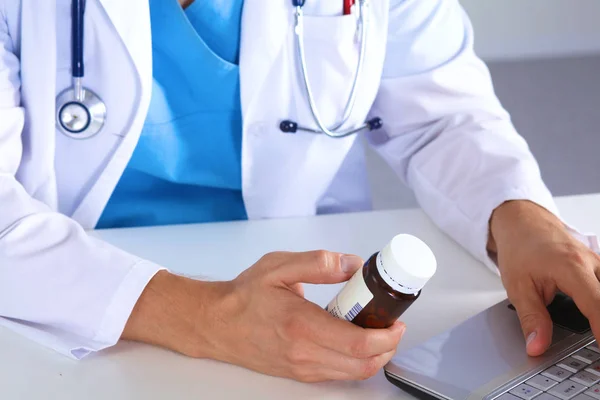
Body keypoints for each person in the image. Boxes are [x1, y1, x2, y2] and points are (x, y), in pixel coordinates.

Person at [1, 0, 599, 383]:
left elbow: (441, 117)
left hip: (308, 307)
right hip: (72, 297)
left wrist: (517, 215)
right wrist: (205, 317)